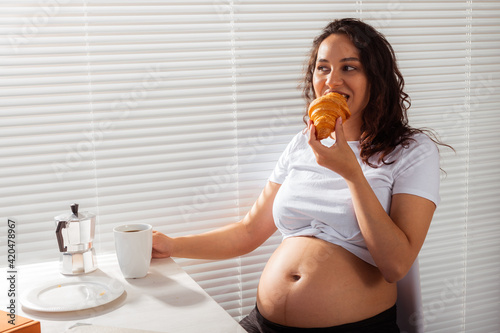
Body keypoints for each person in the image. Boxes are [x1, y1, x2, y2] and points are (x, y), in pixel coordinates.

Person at [152, 18, 445, 332]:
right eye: (323, 68)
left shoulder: (412, 150)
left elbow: (395, 265)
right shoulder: (302, 144)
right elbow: (248, 232)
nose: (332, 81)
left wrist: (353, 175)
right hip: (262, 324)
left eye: (349, 67)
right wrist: (174, 246)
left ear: (376, 77)